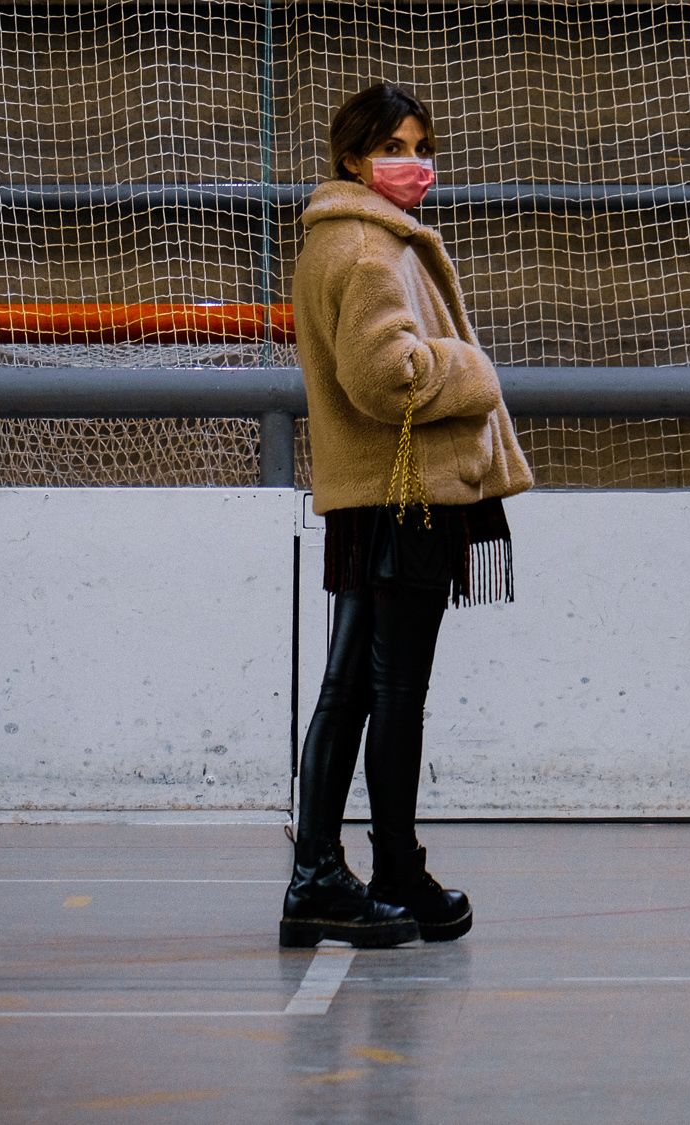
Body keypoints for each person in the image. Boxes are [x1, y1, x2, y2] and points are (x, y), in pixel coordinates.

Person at [281, 83, 532, 948]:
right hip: (405, 495)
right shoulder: (365, 249)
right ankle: (363, 870)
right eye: (393, 144)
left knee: (356, 687)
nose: (413, 161)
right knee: (388, 693)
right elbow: (388, 376)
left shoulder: (342, 234)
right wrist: (473, 367)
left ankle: (342, 870)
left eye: (421, 145)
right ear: (352, 156)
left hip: (374, 496)